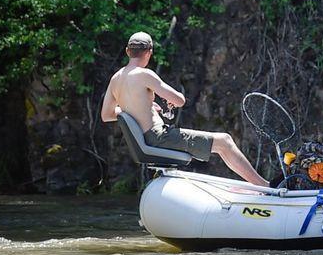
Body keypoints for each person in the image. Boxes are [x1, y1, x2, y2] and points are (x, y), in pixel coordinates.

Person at [101, 31, 265, 186]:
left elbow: (106, 115)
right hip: (159, 137)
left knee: (222, 145)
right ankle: (265, 186)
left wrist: (139, 109)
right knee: (225, 141)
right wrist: (167, 97)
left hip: (148, 140)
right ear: (149, 52)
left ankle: (258, 186)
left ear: (127, 51)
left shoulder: (115, 79)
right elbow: (179, 100)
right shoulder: (145, 74)